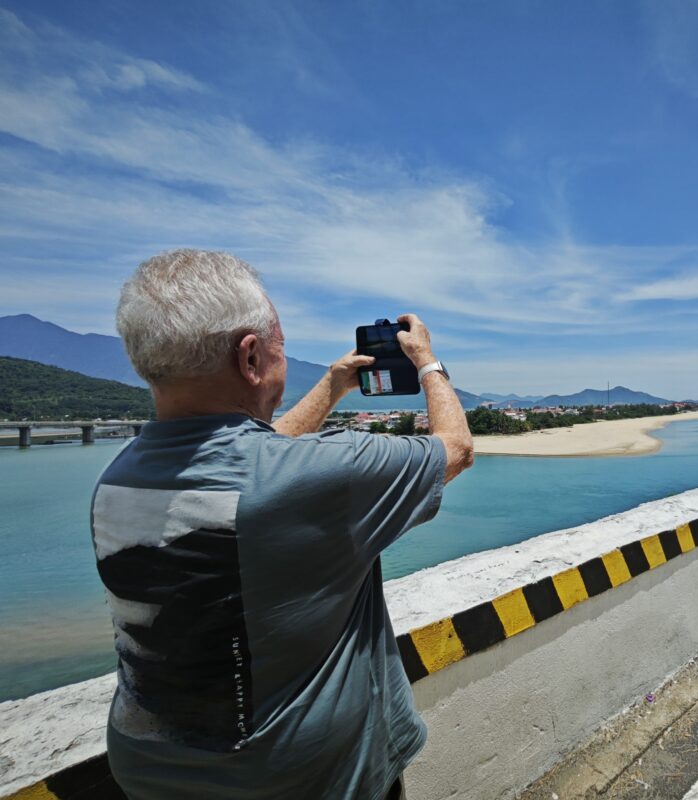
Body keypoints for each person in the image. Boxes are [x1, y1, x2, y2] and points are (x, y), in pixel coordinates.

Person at [91, 249, 474, 800]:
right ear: (251, 359)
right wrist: (428, 363)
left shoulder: (116, 480)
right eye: (281, 349)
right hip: (307, 780)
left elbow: (253, 456)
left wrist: (336, 384)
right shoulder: (325, 471)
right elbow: (455, 450)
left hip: (151, 776)